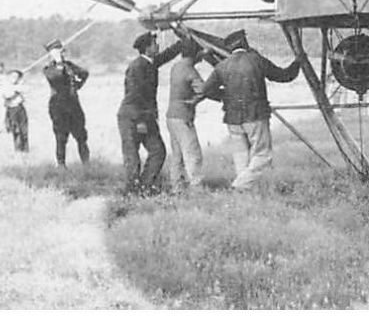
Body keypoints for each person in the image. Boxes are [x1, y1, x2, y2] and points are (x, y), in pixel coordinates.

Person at [199, 30, 300, 189]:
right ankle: (239, 186)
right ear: (244, 43)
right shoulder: (256, 60)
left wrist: (225, 97)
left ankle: (244, 193)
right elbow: (283, 76)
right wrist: (298, 62)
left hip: (232, 118)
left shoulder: (222, 66)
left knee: (241, 158)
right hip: (255, 115)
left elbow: (205, 90)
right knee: (263, 155)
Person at [117, 31, 184, 195]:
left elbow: (165, 56)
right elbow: (134, 94)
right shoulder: (138, 66)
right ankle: (132, 193)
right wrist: (140, 121)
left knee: (158, 151)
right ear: (147, 48)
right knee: (132, 157)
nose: (158, 46)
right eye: (154, 44)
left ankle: (144, 187)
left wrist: (182, 42)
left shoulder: (148, 63)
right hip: (133, 118)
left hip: (143, 117)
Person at [164, 39, 208, 191]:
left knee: (178, 155)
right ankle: (197, 188)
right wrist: (194, 101)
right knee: (192, 152)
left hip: (171, 116)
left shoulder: (175, 67)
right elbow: (204, 90)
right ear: (195, 53)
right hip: (183, 116)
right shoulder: (190, 70)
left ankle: (177, 188)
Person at [43, 40, 90, 168]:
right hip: (58, 105)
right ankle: (61, 165)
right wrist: (58, 63)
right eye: (56, 51)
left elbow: (84, 73)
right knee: (61, 135)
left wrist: (77, 85)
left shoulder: (69, 65)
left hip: (73, 104)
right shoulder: (49, 68)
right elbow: (56, 78)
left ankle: (86, 164)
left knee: (81, 135)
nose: (61, 53)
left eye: (61, 50)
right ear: (51, 54)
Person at [1, 70, 30, 153]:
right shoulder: (5, 86)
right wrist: (15, 90)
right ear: (9, 77)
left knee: (24, 131)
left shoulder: (20, 85)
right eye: (13, 76)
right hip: (11, 110)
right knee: (16, 131)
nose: (15, 79)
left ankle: (25, 150)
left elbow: (27, 90)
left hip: (20, 108)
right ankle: (18, 150)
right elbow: (7, 95)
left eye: (17, 77)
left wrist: (19, 86)